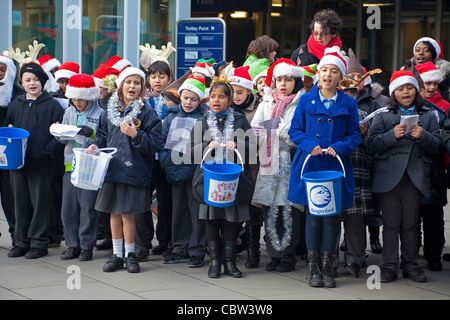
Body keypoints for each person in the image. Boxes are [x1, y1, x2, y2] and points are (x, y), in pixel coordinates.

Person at [288, 47, 361, 288]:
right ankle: (313, 269)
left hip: (335, 165)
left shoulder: (349, 103)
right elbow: (295, 130)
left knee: (331, 217)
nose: (327, 75)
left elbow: (354, 136)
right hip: (311, 163)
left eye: (333, 71)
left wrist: (339, 147)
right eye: (324, 70)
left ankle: (329, 269)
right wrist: (310, 145)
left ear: (341, 77)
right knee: (313, 216)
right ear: (318, 74)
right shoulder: (306, 99)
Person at [86, 67, 162, 273]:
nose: (132, 86)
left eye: (137, 83)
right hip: (112, 169)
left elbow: (155, 143)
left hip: (134, 171)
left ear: (142, 88)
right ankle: (116, 254)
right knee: (114, 213)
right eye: (128, 82)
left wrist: (135, 135)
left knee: (128, 214)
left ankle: (130, 254)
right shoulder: (109, 111)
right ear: (120, 86)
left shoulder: (147, 113)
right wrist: (95, 145)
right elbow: (102, 135)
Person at [368, 70, 442, 283]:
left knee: (410, 223)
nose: (405, 91)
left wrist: (424, 136)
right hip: (389, 177)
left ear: (416, 91)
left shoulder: (428, 115)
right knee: (390, 223)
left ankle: (411, 264)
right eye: (400, 88)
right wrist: (392, 136)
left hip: (415, 176)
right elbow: (372, 144)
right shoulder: (383, 115)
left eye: (409, 87)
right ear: (393, 93)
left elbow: (437, 147)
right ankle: (389, 266)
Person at [191, 80, 254, 278]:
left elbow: (252, 147)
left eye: (221, 96)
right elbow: (190, 151)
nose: (216, 100)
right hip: (210, 178)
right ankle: (215, 261)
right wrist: (206, 146)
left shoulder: (239, 120)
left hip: (233, 179)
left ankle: (229, 261)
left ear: (229, 100)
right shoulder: (202, 121)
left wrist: (236, 144)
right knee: (211, 218)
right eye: (213, 97)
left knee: (231, 219)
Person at [6, 62, 65, 259]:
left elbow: (60, 136)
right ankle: (21, 241)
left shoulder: (53, 106)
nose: (32, 84)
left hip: (42, 165)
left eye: (36, 80)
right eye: (27, 80)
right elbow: (8, 130)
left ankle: (39, 243)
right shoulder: (16, 105)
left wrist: (46, 153)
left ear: (43, 81)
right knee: (20, 204)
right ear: (21, 83)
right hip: (19, 165)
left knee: (41, 205)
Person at [251, 58, 305, 273]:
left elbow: (299, 133)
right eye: (279, 79)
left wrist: (280, 131)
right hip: (268, 161)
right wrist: (263, 132)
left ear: (296, 81)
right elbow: (255, 128)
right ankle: (273, 254)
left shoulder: (301, 103)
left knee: (289, 209)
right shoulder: (266, 102)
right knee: (269, 207)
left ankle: (288, 256)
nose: (283, 84)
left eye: (288, 79)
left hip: (289, 160)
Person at [159, 75, 208, 267]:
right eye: (186, 97)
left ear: (199, 100)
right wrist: (165, 161)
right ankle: (179, 248)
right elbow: (163, 142)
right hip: (175, 170)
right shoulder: (171, 118)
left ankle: (197, 250)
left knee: (196, 212)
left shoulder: (204, 118)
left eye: (194, 99)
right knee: (178, 211)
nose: (189, 102)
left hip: (195, 172)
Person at [57, 74, 103, 261]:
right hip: (70, 164)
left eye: (81, 97)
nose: (77, 101)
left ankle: (86, 246)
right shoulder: (68, 112)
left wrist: (91, 134)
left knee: (87, 208)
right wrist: (58, 131)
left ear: (90, 96)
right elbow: (62, 138)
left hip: (89, 165)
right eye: (74, 97)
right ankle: (72, 244)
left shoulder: (100, 113)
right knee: (68, 209)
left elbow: (102, 137)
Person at [415, 61, 448, 271]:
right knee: (411, 216)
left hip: (434, 170)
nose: (432, 87)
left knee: (434, 217)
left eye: (435, 83)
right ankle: (412, 251)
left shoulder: (442, 110)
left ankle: (433, 254)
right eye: (428, 83)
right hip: (412, 170)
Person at [229, 65, 263, 268]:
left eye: (240, 92)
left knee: (252, 210)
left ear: (249, 91)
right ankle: (232, 247)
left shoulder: (259, 109)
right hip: (233, 166)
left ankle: (254, 251)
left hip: (252, 166)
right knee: (233, 209)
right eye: (232, 92)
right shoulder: (227, 108)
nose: (235, 96)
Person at [143, 59, 173, 257]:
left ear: (170, 79)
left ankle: (165, 240)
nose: (157, 81)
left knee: (164, 199)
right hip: (146, 157)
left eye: (162, 77)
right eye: (153, 77)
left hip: (165, 156)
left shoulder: (173, 100)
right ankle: (144, 239)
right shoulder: (143, 102)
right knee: (143, 199)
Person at [0, 55, 24, 246]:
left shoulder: (18, 94)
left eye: (3, 69)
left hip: (9, 154)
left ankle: (16, 234)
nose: (0, 74)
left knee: (10, 196)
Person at [411, 37, 450, 102]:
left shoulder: (443, 77)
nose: (421, 53)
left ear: (433, 55)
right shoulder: (405, 73)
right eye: (417, 50)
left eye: (426, 50)